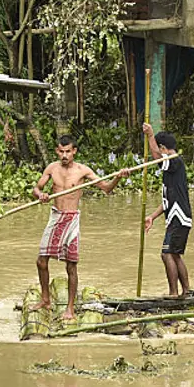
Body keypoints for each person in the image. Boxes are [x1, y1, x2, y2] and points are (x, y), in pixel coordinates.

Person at [31, 135, 128, 320]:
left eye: (68, 151)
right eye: (61, 151)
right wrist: (41, 194)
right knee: (41, 261)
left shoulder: (83, 170)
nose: (64, 155)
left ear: (74, 151)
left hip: (72, 219)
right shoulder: (52, 168)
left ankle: (70, 309)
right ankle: (45, 299)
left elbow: (106, 188)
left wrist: (117, 178)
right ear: (57, 151)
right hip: (56, 217)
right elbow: (37, 188)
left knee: (71, 266)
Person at [142, 123, 192, 297]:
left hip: (179, 217)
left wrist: (150, 135)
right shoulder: (170, 169)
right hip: (176, 217)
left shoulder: (174, 161)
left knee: (167, 254)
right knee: (175, 254)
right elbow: (167, 202)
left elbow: (156, 157)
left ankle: (174, 293)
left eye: (159, 148)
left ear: (164, 148)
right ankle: (185, 292)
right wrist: (152, 217)